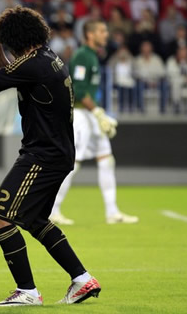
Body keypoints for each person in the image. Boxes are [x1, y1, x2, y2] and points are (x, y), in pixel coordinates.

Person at [0, 6, 101, 306]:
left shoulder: (34, 65)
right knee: (35, 220)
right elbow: (3, 72)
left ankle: (27, 291)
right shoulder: (45, 58)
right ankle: (82, 279)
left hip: (42, 156)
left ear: (14, 39)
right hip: (57, 153)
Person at [50, 19, 138, 225]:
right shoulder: (82, 56)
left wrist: (98, 113)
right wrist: (98, 112)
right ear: (90, 35)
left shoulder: (92, 56)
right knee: (73, 164)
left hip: (91, 114)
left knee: (106, 160)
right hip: (81, 116)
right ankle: (52, 210)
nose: (105, 34)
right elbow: (79, 90)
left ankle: (112, 212)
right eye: (102, 30)